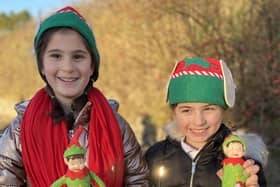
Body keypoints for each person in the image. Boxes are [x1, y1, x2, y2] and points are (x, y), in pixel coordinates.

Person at [0, 6, 148, 187]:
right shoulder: (20, 130)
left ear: (92, 66)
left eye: (78, 56)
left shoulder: (116, 125)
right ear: (41, 66)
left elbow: (137, 179)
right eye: (56, 56)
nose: (68, 67)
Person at [145, 57, 267, 186]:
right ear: (173, 111)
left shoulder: (245, 164)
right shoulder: (155, 156)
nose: (198, 121)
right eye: (186, 110)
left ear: (223, 110)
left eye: (208, 109)